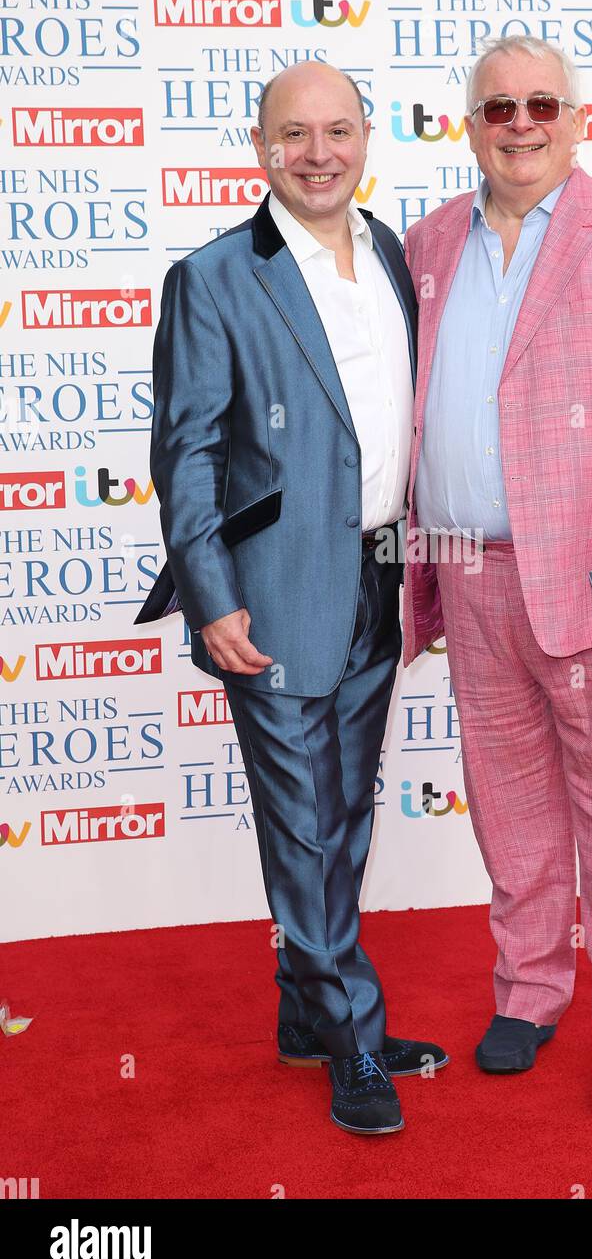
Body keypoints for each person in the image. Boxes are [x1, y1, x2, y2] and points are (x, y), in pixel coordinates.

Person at [401, 35, 592, 1110]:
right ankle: (527, 991)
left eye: (541, 103)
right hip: (471, 576)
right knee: (509, 805)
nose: (520, 123)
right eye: (498, 108)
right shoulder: (425, 244)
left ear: (577, 119)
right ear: (471, 125)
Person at [137, 62, 447, 1136]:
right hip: (268, 593)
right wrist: (211, 598)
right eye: (294, 134)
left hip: (378, 575)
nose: (319, 153)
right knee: (304, 823)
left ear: (368, 138)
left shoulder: (396, 256)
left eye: (338, 131)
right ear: (259, 145)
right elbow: (183, 454)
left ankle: (305, 1013)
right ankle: (353, 1034)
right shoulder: (215, 275)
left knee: (344, 811)